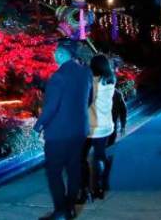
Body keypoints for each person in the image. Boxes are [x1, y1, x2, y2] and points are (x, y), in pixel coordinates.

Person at [35, 39, 92, 220]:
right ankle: (70, 208)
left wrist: (37, 126)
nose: (53, 54)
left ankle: (61, 212)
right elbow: (89, 100)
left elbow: (51, 107)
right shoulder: (85, 73)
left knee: (54, 171)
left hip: (59, 133)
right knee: (74, 168)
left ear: (60, 54)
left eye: (55, 51)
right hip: (80, 130)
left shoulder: (58, 77)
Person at [83, 54, 117, 201]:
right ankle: (101, 187)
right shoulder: (111, 80)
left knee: (81, 157)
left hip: (90, 126)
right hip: (106, 126)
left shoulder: (91, 82)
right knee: (99, 156)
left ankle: (85, 189)